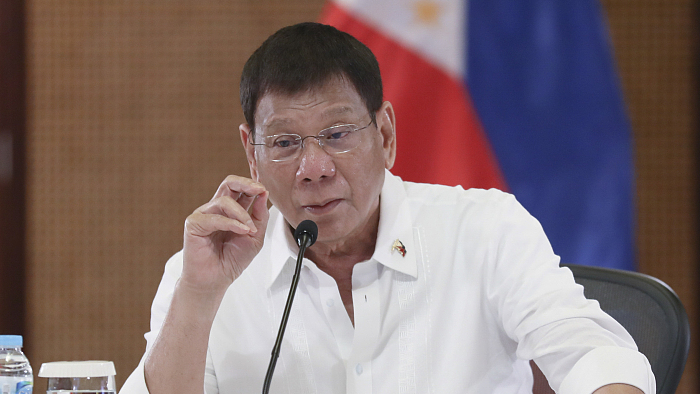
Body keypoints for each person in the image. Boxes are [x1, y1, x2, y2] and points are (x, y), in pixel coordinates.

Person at [120, 22, 654, 394]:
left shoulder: (486, 230)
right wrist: (197, 297)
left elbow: (589, 352)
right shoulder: (206, 273)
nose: (314, 167)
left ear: (387, 134)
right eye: (284, 143)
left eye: (337, 134)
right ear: (251, 155)